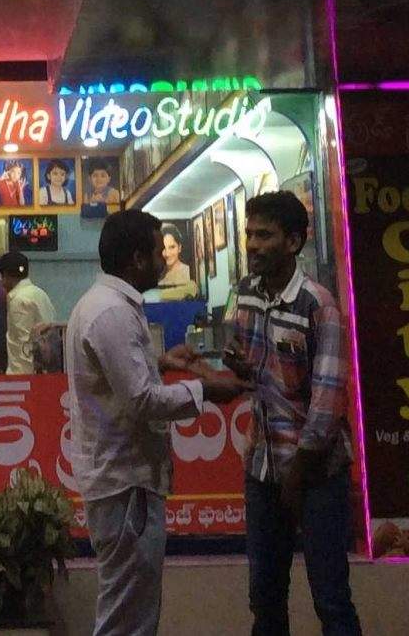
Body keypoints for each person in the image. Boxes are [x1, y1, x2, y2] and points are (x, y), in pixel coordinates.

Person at [66, 209, 240, 636]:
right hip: (127, 485)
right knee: (128, 618)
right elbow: (141, 399)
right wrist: (207, 390)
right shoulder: (111, 313)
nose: (165, 260)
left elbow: (118, 381)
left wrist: (160, 361)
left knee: (129, 610)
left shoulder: (103, 305)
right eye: (159, 252)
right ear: (138, 258)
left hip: (121, 483)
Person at [223, 190, 361, 636]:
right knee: (264, 597)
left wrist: (297, 476)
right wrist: (238, 365)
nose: (253, 244)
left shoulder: (318, 305)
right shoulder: (245, 294)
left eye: (264, 235)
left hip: (316, 472)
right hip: (263, 466)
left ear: (294, 242)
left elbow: (327, 402)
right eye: (249, 234)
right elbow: (253, 369)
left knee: (330, 598)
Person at [0, 250, 56, 375]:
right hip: (46, 372)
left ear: (5, 275)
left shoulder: (18, 300)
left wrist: (23, 379)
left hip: (23, 376)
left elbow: (23, 344)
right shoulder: (40, 293)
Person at [152, 223, 196, 300]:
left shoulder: (189, 272)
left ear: (179, 248)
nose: (167, 254)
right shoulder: (156, 275)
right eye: (164, 248)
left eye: (172, 247)